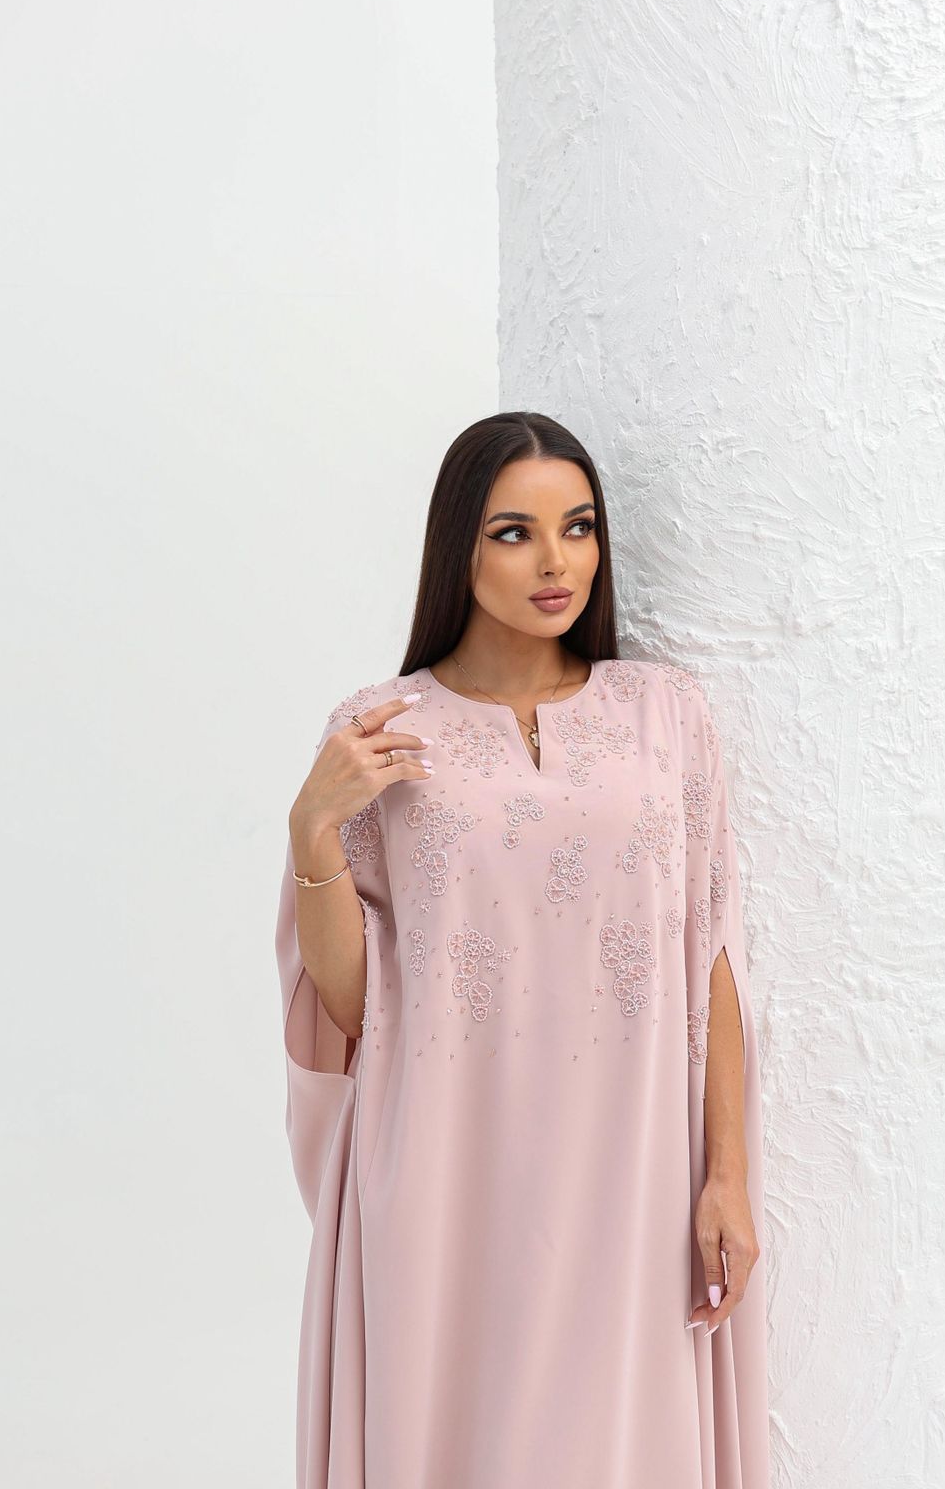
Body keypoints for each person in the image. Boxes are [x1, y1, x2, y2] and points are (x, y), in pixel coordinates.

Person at [275, 411, 769, 1488]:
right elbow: (354, 1006)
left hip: (635, 1169)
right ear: (458, 546)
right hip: (452, 1171)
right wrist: (312, 831)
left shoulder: (664, 716)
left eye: (578, 527)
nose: (557, 562)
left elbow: (712, 952)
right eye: (515, 532)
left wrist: (727, 1175)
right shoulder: (381, 728)